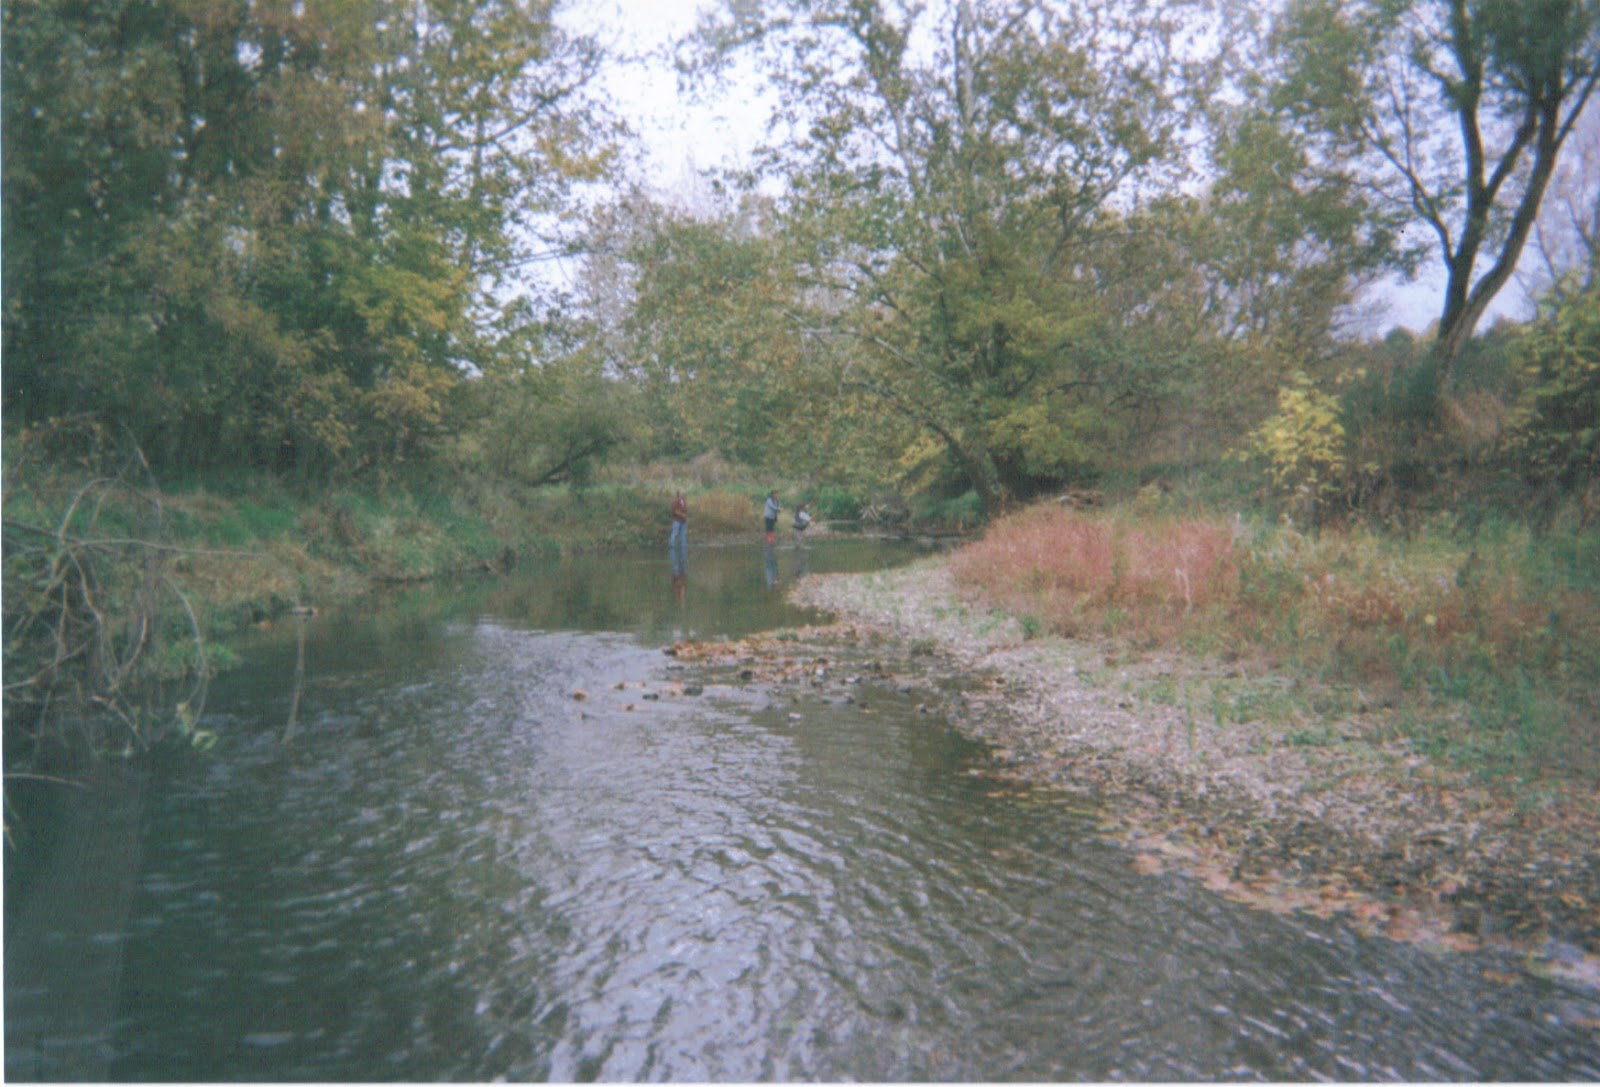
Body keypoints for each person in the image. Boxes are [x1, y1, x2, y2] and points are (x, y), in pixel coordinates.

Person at [669, 490, 688, 574]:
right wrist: (682, 515)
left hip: (683, 521)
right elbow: (674, 511)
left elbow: (685, 510)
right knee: (675, 533)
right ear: (679, 494)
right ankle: (671, 546)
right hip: (677, 520)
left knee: (683, 535)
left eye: (684, 493)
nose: (684, 494)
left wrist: (685, 516)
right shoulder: (675, 501)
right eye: (682, 493)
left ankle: (684, 547)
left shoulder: (684, 501)